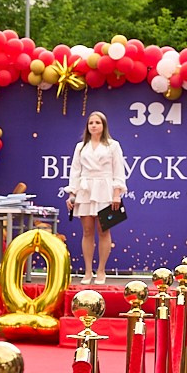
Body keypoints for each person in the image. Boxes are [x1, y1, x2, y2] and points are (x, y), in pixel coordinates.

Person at [65, 111, 129, 283]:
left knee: (103, 230)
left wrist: (117, 193)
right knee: (87, 231)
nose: (94, 125)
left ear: (103, 126)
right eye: (91, 122)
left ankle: (101, 271)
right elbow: (75, 171)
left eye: (97, 122)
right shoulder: (80, 147)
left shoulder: (113, 145)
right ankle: (87, 272)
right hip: (85, 191)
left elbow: (118, 170)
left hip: (106, 191)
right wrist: (72, 194)